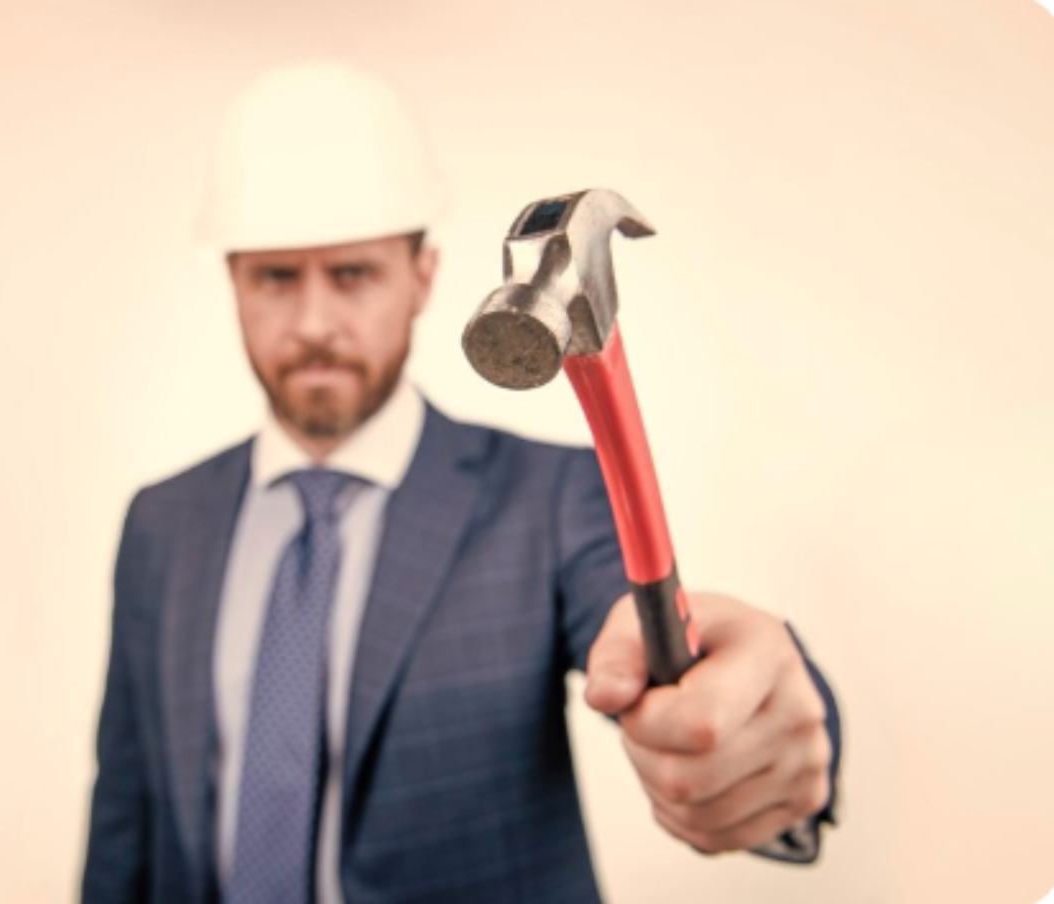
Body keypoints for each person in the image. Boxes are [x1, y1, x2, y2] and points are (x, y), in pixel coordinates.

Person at [81, 61, 840, 904]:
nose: (314, 323)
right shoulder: (162, 524)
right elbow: (125, 816)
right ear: (233, 283)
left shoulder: (546, 499)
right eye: (276, 277)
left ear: (423, 277)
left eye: (353, 273)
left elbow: (676, 665)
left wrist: (761, 719)